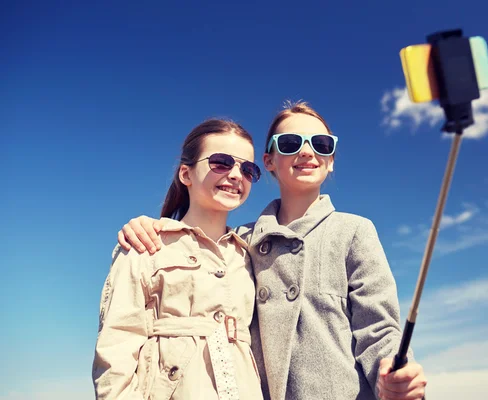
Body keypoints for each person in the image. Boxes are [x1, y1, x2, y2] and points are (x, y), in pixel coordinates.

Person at [117, 101, 427, 400]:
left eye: (321, 143)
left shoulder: (354, 231)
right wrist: (152, 226)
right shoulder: (238, 242)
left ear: (331, 159)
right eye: (291, 142)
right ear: (268, 162)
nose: (307, 151)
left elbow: (378, 327)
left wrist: (392, 372)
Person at [92, 119, 265, 400]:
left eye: (248, 169)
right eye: (221, 162)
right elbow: (116, 347)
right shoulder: (146, 244)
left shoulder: (251, 255)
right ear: (186, 173)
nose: (236, 175)